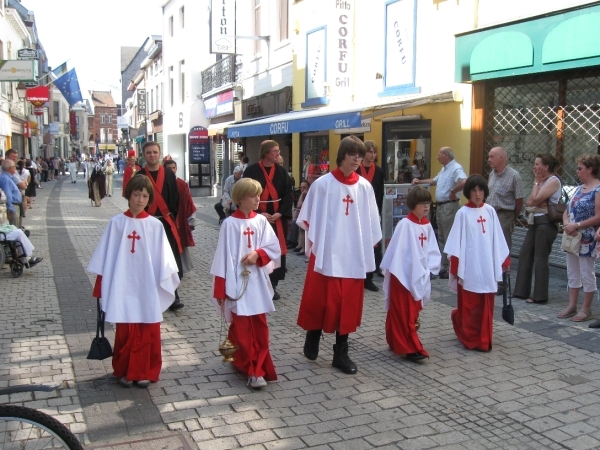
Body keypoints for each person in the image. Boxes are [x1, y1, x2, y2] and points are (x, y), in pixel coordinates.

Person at [297, 136, 382, 374]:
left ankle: (341, 352)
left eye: (360, 154)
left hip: (352, 253)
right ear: (342, 155)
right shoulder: (323, 185)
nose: (357, 159)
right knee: (322, 299)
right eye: (352, 154)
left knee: (348, 304)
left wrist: (367, 245)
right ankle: (313, 334)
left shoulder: (365, 187)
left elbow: (371, 222)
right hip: (327, 251)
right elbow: (308, 218)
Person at [87, 175, 180, 388]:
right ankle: (125, 370)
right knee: (125, 328)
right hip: (123, 284)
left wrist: (164, 280)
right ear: (128, 195)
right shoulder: (116, 223)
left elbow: (164, 260)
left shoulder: (155, 226)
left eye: (144, 196)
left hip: (147, 285)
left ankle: (144, 370)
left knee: (147, 328)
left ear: (150, 199)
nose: (139, 199)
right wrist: (100, 286)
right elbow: (106, 257)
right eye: (136, 194)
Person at [210, 178, 281, 388]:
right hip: (237, 284)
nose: (258, 199)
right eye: (253, 195)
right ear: (240, 199)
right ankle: (252, 370)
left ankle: (256, 366)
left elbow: (273, 247)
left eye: (259, 194)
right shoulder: (229, 224)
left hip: (257, 283)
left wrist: (258, 254)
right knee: (243, 329)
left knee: (259, 327)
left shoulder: (260, 221)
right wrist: (221, 290)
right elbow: (222, 258)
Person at [445, 175, 510, 352]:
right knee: (470, 303)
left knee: (486, 301)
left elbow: (498, 239)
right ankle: (470, 337)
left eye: (480, 190)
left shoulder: (490, 211)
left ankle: (484, 338)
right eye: (473, 190)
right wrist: (456, 267)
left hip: (487, 264)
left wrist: (504, 260)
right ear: (468, 193)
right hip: (470, 266)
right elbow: (456, 242)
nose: (477, 194)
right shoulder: (462, 213)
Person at [380, 186, 441, 361]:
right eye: (422, 203)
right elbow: (398, 252)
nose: (426, 207)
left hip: (419, 274)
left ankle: (395, 340)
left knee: (410, 312)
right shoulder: (405, 225)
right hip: (403, 275)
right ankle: (410, 347)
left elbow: (431, 250)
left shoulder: (427, 225)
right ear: (413, 204)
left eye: (428, 203)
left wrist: (428, 268)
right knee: (404, 312)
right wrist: (405, 270)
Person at [243, 140, 293, 301]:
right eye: (275, 151)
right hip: (258, 216)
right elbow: (245, 191)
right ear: (266, 153)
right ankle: (258, 282)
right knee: (259, 247)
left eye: (278, 151)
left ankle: (273, 284)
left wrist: (280, 213)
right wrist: (258, 213)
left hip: (277, 217)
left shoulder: (281, 171)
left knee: (276, 249)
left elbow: (288, 194)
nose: (278, 154)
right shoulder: (251, 170)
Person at [138, 141, 184, 311]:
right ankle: (148, 294)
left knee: (169, 260)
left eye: (155, 152)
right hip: (145, 223)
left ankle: (173, 295)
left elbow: (175, 199)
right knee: (147, 260)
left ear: (159, 153)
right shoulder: (139, 175)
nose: (152, 155)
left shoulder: (169, 175)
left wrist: (171, 218)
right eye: (149, 152)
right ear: (144, 154)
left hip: (165, 222)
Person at [513, 153, 562, 304]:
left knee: (540, 258)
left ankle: (540, 295)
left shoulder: (553, 181)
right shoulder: (542, 181)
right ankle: (521, 291)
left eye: (537, 164)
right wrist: (536, 193)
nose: (534, 167)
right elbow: (530, 201)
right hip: (534, 221)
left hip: (546, 223)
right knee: (525, 254)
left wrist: (535, 185)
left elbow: (535, 199)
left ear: (546, 167)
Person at [413, 147, 467, 279]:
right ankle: (443, 266)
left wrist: (453, 191)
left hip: (450, 206)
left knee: (449, 236)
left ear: (446, 156)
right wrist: (419, 181)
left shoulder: (455, 168)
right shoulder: (444, 169)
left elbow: (464, 181)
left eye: (439, 155)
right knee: (441, 236)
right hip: (441, 207)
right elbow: (433, 181)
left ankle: (450, 267)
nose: (437, 157)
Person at [559, 155, 600, 323]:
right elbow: (566, 210)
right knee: (573, 272)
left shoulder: (598, 190)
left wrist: (577, 225)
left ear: (590, 169)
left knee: (586, 272)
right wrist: (567, 223)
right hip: (572, 236)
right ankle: (572, 304)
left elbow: (599, 216)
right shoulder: (578, 188)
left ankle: (586, 308)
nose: (577, 171)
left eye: (580, 168)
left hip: (587, 237)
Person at [486, 146, 524, 295]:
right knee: (490, 248)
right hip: (490, 215)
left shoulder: (514, 176)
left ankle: (502, 283)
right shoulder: (492, 174)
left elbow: (519, 199)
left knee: (502, 248)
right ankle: (492, 279)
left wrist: (513, 217)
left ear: (501, 157)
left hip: (504, 214)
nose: (489, 159)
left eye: (491, 156)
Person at [356, 140, 385, 290]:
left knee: (373, 245)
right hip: (356, 214)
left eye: (374, 152)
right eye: (370, 152)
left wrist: (377, 213)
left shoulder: (379, 171)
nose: (372, 155)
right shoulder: (356, 169)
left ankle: (369, 277)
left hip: (372, 214)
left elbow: (380, 194)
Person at [164, 158, 197, 274]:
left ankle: (180, 268)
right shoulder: (163, 183)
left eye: (173, 168)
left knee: (181, 243)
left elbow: (189, 202)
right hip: (167, 219)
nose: (172, 170)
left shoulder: (182, 184)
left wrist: (191, 220)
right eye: (169, 168)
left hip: (181, 219)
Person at [0, 160, 22, 228]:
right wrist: (12, 210)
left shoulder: (7, 177)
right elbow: (8, 195)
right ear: (10, 168)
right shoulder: (5, 179)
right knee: (14, 228)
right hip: (12, 206)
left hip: (14, 206)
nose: (16, 168)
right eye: (14, 166)